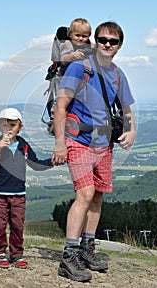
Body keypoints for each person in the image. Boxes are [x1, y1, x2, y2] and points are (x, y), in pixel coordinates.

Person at [52, 21, 136, 282]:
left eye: (112, 41)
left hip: (104, 144)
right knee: (85, 193)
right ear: (95, 41)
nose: (107, 45)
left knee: (97, 196)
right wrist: (59, 143)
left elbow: (128, 111)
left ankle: (87, 248)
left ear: (119, 45)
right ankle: (69, 255)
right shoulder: (80, 67)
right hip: (78, 140)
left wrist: (131, 131)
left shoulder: (119, 74)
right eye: (102, 39)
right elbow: (61, 106)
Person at [0, 107, 53, 269]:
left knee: (17, 225)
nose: (8, 129)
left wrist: (53, 161)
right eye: (4, 125)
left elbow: (36, 164)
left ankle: (16, 254)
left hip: (18, 194)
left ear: (20, 127)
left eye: (12, 125)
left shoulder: (24, 146)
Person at [44, 18, 94, 134]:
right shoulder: (67, 44)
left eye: (84, 36)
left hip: (76, 78)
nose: (81, 38)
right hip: (62, 76)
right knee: (59, 98)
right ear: (70, 34)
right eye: (77, 35)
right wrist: (72, 55)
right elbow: (63, 59)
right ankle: (53, 116)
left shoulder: (88, 45)